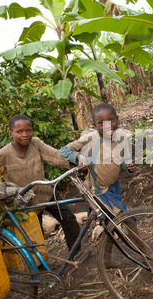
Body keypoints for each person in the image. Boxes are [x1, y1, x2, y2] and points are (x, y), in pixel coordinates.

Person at [60, 103, 143, 266]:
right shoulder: (90, 139)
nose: (107, 126)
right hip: (97, 190)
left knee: (109, 225)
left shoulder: (122, 138)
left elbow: (124, 164)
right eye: (101, 123)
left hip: (113, 188)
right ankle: (146, 254)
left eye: (111, 120)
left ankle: (105, 260)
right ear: (94, 125)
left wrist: (129, 168)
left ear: (118, 120)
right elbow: (64, 151)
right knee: (127, 220)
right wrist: (78, 158)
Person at [0, 114, 81, 251]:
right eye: (19, 131)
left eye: (28, 130)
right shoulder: (3, 154)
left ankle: (75, 254)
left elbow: (54, 156)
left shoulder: (35, 144)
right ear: (11, 133)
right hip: (26, 202)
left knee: (69, 220)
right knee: (35, 235)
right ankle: (40, 265)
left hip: (46, 193)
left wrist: (76, 160)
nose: (25, 134)